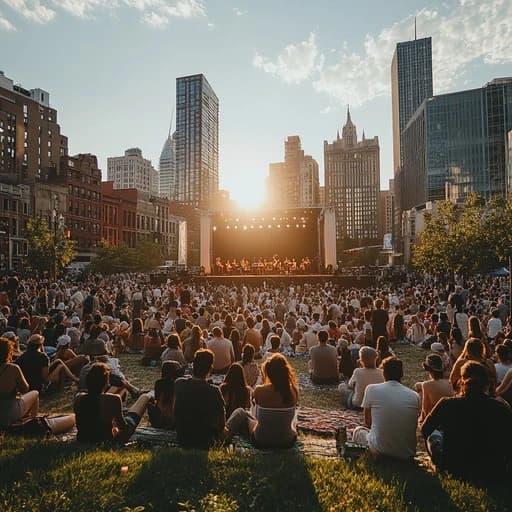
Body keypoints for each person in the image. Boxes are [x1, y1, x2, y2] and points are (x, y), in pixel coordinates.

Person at [421, 361, 512, 480]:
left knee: (434, 437)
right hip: (492, 468)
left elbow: (425, 430)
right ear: (486, 383)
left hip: (455, 468)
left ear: (461, 380)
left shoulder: (447, 404)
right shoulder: (500, 407)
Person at [0, 337, 75, 432]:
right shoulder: (13, 368)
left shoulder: (22, 358)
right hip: (10, 412)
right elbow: (25, 389)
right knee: (34, 393)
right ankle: (33, 420)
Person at [352, 357, 420, 460]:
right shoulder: (414, 395)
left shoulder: (371, 389)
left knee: (358, 431)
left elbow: (368, 423)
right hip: (407, 451)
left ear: (384, 373)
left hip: (380, 449)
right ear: (401, 374)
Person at [226, 353, 298, 449]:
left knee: (240, 412)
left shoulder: (259, 390)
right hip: (287, 441)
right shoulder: (293, 391)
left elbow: (255, 414)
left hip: (261, 440)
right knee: (294, 416)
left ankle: (223, 434)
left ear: (268, 372)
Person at [74, 362, 151, 444]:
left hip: (83, 438)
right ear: (106, 383)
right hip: (106, 440)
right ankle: (148, 396)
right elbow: (123, 426)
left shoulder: (79, 398)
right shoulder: (113, 399)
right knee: (135, 413)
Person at [173, 349, 226, 448]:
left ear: (193, 365)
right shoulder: (214, 391)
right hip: (204, 440)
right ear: (210, 368)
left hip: (182, 436)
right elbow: (221, 423)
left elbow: (175, 411)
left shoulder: (179, 383)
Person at [415, 354, 454, 421]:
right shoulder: (449, 383)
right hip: (449, 417)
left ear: (428, 369)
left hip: (436, 419)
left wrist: (420, 420)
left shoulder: (427, 385)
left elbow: (425, 410)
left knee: (421, 392)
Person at [147, 360, 185, 429]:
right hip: (174, 421)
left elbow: (157, 399)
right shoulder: (180, 384)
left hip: (159, 419)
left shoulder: (159, 383)